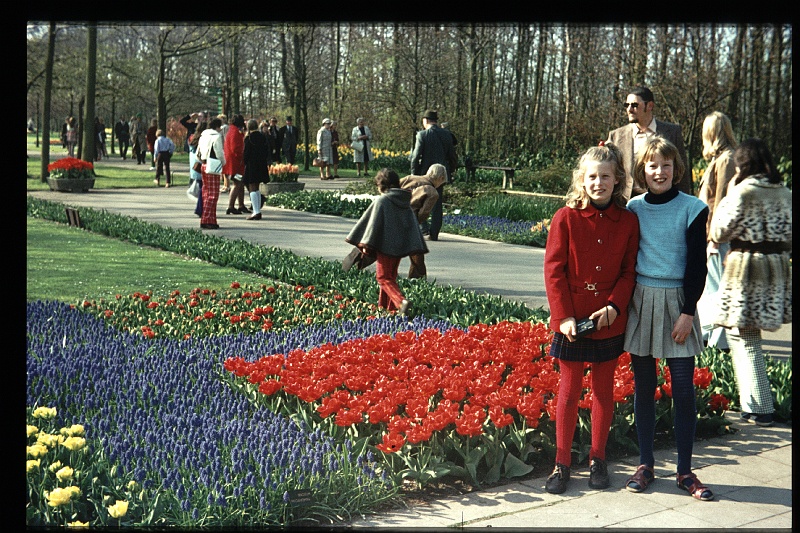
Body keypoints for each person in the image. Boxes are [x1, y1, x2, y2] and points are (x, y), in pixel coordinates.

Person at [542, 142, 640, 494]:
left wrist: (615, 307)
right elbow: (554, 270)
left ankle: (598, 458)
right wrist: (564, 317)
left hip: (608, 319)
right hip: (573, 321)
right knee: (568, 393)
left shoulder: (628, 220)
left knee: (603, 391)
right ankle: (562, 462)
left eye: (606, 177)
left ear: (617, 181)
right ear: (581, 180)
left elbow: (629, 271)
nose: (598, 183)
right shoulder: (565, 217)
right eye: (592, 177)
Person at [623, 136, 713, 502]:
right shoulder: (633, 207)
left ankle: (685, 471)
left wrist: (688, 311)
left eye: (666, 165)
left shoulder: (693, 208)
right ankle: (645, 464)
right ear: (643, 170)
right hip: (642, 301)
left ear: (677, 170)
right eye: (652, 165)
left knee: (684, 390)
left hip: (678, 302)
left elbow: (697, 264)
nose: (659, 172)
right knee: (643, 387)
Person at [708, 138, 792, 428]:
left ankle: (760, 407)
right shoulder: (784, 192)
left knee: (747, 338)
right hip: (775, 268)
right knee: (745, 337)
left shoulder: (743, 191)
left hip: (747, 269)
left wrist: (730, 192)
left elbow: (719, 231)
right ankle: (751, 403)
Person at [345, 168, 428, 315]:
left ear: (381, 185)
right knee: (391, 277)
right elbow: (410, 224)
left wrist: (366, 245)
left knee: (383, 277)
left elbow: (372, 225)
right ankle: (386, 309)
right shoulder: (404, 200)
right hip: (399, 247)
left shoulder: (383, 200)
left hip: (384, 246)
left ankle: (400, 302)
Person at [695, 112, 738, 351]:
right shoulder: (722, 158)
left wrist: (713, 237)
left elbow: (721, 201)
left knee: (720, 287)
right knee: (712, 287)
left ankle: (720, 342)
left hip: (719, 236)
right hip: (713, 233)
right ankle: (709, 335)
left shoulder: (726, 160)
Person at [607, 86, 693, 199]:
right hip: (626, 202)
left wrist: (684, 204)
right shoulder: (616, 136)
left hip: (663, 199)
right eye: (626, 105)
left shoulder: (672, 132)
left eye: (634, 105)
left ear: (650, 106)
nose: (629, 109)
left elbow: (682, 173)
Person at [409, 109, 457, 241]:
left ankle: (423, 228)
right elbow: (453, 156)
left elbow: (416, 156)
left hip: (425, 173)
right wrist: (450, 171)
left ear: (425, 120)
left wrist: (414, 173)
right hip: (441, 174)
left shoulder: (422, 135)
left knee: (419, 200)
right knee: (437, 202)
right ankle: (434, 233)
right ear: (436, 121)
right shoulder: (447, 134)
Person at [399, 164, 449, 279]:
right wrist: (416, 225)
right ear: (440, 178)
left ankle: (351, 266)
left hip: (394, 214)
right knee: (417, 252)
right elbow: (423, 213)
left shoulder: (409, 178)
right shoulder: (432, 193)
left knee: (374, 247)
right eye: (442, 182)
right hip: (410, 221)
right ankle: (417, 280)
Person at [197, 117, 226, 230]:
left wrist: (201, 161)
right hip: (212, 165)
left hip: (204, 164)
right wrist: (223, 162)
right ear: (217, 126)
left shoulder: (203, 135)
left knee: (206, 192)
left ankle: (210, 219)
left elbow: (198, 152)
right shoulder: (216, 136)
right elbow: (219, 152)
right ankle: (207, 219)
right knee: (213, 195)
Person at [242, 118, 271, 221]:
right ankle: (257, 209)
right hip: (261, 164)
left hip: (252, 165)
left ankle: (256, 212)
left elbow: (246, 154)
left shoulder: (249, 138)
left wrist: (244, 162)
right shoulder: (262, 137)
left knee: (252, 187)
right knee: (257, 187)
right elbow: (267, 150)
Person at [223, 114, 249, 215]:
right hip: (235, 163)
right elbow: (235, 148)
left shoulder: (232, 130)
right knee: (237, 183)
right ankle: (231, 206)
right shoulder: (235, 132)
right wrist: (242, 155)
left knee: (240, 183)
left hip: (233, 162)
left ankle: (241, 205)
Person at [188, 122, 206, 218]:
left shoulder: (192, 138)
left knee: (200, 188)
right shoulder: (202, 139)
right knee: (203, 189)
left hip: (194, 166)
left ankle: (200, 208)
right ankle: (200, 209)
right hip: (200, 165)